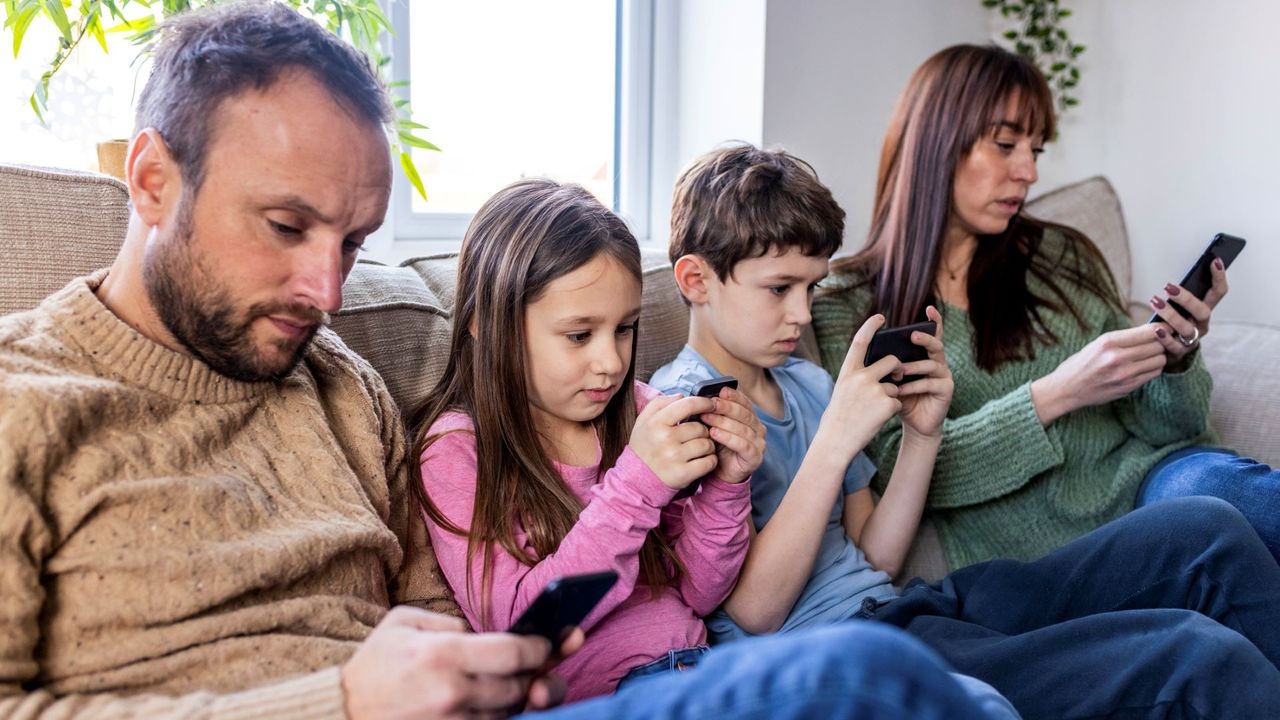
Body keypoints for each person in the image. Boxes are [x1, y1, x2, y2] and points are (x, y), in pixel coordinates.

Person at [0, 5, 1007, 719]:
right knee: (870, 681)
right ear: (149, 178)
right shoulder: (26, 407)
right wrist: (336, 701)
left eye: (352, 242)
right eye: (285, 224)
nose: (329, 289)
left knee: (1149, 641)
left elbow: (457, 621)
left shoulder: (344, 389)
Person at [650, 142, 1280, 719]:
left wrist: (924, 433)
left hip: (912, 604)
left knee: (1208, 529)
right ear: (695, 280)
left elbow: (877, 554)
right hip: (852, 653)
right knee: (1197, 655)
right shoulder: (684, 411)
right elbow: (755, 612)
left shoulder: (807, 382)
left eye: (810, 286)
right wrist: (837, 437)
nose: (800, 313)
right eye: (779, 288)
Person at [810, 43, 1280, 572]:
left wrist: (1174, 360)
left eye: (1036, 150)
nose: (1028, 173)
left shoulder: (1060, 255)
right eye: (1007, 144)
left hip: (1160, 480)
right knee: (1206, 530)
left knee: (1224, 493)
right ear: (936, 143)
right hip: (1060, 558)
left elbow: (1176, 428)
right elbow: (899, 472)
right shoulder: (850, 304)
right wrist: (1056, 394)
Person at [413, 178, 766, 701]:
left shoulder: (639, 412)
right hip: (610, 699)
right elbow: (521, 626)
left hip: (703, 671)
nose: (612, 363)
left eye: (624, 329)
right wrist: (637, 484)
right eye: (579, 335)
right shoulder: (457, 451)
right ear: (486, 325)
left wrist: (725, 487)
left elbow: (701, 591)